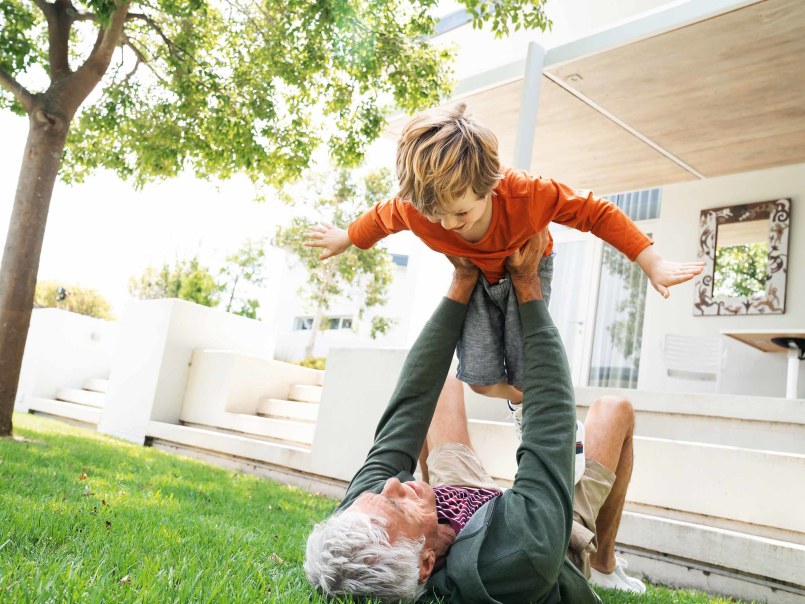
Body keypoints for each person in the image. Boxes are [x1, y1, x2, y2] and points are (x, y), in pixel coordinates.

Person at [305, 233, 644, 602]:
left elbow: (409, 405)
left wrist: (462, 279)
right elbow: (551, 424)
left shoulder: (362, 519)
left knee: (441, 387)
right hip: (545, 533)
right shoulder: (519, 555)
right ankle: (605, 564)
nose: (391, 485)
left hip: (463, 506)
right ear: (426, 564)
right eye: (397, 502)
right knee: (614, 410)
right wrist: (528, 285)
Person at [305, 103, 703, 410]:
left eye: (460, 212)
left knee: (529, 369)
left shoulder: (527, 195)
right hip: (475, 276)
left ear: (490, 186)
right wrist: (346, 237)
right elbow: (379, 218)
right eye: (434, 215)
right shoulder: (415, 208)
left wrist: (651, 261)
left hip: (527, 266)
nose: (446, 225)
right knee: (478, 378)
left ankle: (543, 410)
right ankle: (520, 403)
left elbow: (595, 212)